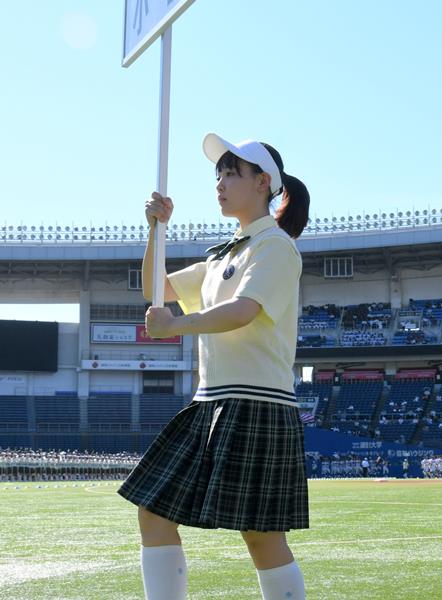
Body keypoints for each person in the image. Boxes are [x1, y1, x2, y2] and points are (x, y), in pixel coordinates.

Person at [117, 133, 310, 600]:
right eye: (218, 174)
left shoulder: (276, 247)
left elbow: (244, 310)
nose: (220, 183)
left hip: (258, 402)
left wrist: (175, 325)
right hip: (210, 403)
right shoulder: (223, 254)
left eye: (231, 173)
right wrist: (156, 229)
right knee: (153, 510)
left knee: (261, 537)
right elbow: (154, 287)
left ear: (263, 183)